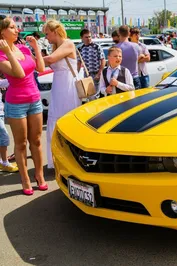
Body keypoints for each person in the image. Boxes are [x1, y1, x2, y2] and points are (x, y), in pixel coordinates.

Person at [0, 17, 46, 195]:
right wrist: (8, 51)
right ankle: (25, 179)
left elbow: (40, 69)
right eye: (12, 27)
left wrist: (36, 48)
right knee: (21, 144)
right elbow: (18, 74)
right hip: (16, 103)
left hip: (34, 100)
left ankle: (39, 175)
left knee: (36, 141)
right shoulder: (2, 55)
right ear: (2, 32)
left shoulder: (24, 48)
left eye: (16, 27)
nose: (16, 30)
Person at [42, 19, 81, 169]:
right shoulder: (56, 47)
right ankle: (57, 159)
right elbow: (49, 64)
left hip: (68, 87)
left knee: (66, 120)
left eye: (47, 33)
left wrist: (32, 57)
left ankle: (71, 159)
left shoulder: (68, 43)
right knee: (54, 120)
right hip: (59, 86)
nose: (46, 37)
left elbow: (50, 60)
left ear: (55, 31)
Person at [77, 29, 106, 100]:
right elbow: (79, 62)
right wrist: (76, 75)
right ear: (81, 38)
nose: (88, 39)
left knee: (95, 96)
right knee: (88, 96)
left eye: (89, 37)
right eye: (86, 37)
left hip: (96, 74)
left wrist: (99, 73)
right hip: (86, 75)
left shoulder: (96, 47)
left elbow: (103, 60)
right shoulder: (80, 48)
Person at [0, 79, 18, 173]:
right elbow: (11, 81)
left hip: (1, 111)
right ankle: (4, 163)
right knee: (4, 137)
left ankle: (3, 162)